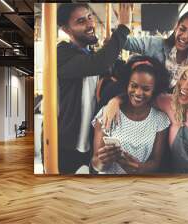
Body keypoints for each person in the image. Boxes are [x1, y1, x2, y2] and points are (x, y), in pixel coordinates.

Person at [103, 59, 188, 174]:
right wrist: (116, 101)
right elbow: (140, 95)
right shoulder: (169, 102)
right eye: (184, 78)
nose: (183, 86)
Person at [56, 3, 132, 174]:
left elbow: (116, 74)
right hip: (65, 144)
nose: (90, 24)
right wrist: (123, 28)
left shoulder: (90, 55)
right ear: (67, 30)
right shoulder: (61, 54)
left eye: (90, 17)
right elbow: (100, 63)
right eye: (81, 21)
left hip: (91, 142)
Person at [91, 56, 171, 174]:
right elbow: (95, 163)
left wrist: (140, 169)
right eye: (134, 85)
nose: (138, 93)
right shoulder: (108, 113)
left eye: (146, 88)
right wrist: (102, 161)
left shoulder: (160, 120)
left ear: (155, 90)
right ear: (127, 84)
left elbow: (155, 163)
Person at [123, 10, 188, 87]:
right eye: (182, 29)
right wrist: (124, 25)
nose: (184, 36)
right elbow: (125, 43)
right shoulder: (156, 44)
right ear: (176, 27)